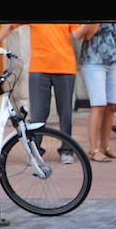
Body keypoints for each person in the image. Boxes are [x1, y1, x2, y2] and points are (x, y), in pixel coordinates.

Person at [25, 21, 84, 164]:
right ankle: (35, 152)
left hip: (65, 68)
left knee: (65, 114)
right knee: (38, 115)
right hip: (39, 68)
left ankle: (66, 150)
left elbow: (77, 34)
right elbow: (9, 26)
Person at [78, 22, 116, 162]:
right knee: (98, 105)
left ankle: (106, 147)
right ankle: (94, 149)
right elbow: (86, 35)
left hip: (113, 58)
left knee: (111, 106)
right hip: (94, 60)